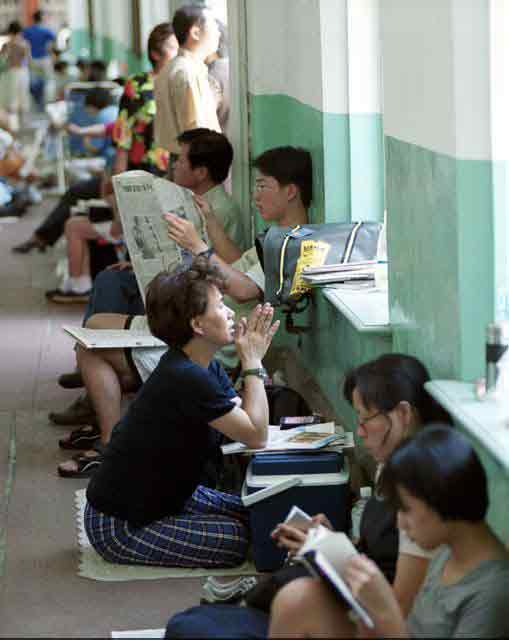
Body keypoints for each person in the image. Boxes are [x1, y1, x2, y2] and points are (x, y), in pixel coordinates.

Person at [164, 354, 451, 639]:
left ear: (403, 415)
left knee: (191, 630)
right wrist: (329, 541)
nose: (360, 432)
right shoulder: (390, 467)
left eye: (366, 420)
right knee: (189, 622)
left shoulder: (420, 497)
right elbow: (378, 555)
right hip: (343, 599)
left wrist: (332, 555)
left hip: (363, 619)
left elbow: (394, 611)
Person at [54, 146, 311, 435]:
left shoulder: (290, 246)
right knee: (95, 323)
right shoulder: (274, 236)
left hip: (209, 338)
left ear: (291, 191)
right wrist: (207, 222)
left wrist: (197, 246)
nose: (256, 196)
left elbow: (243, 289)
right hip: (195, 322)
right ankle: (118, 407)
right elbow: (235, 263)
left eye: (263, 186)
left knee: (89, 349)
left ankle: (110, 438)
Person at [56, 128, 243, 470]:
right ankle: (103, 400)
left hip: (192, 318)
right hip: (182, 301)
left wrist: (190, 249)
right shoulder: (198, 203)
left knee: (91, 346)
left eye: (180, 160)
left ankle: (110, 441)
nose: (173, 166)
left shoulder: (221, 213)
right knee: (103, 301)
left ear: (201, 171)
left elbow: (219, 278)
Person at [84, 258, 280, 567]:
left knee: (257, 513)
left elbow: (245, 420)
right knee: (236, 540)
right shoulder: (186, 376)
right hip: (119, 524)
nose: (230, 313)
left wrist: (252, 363)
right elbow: (256, 435)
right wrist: (252, 361)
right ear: (197, 325)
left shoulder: (203, 366)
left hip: (168, 498)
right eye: (220, 306)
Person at [269, 424, 509, 638]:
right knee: (297, 598)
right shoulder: (448, 549)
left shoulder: (492, 593)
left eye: (406, 509)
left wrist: (386, 612)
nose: (400, 524)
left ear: (441, 501)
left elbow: (397, 622)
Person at [13, 22, 178, 258]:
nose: (178, 53)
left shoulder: (182, 83)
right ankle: (45, 239)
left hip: (172, 169)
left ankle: (44, 238)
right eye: (173, 47)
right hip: (140, 167)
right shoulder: (139, 85)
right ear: (155, 53)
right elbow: (123, 130)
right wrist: (117, 175)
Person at [154, 2, 221, 174]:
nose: (218, 32)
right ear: (195, 33)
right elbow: (195, 132)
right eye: (214, 25)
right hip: (194, 166)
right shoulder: (188, 73)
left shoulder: (171, 68)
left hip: (181, 162)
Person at [23, 10, 56, 111]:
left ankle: (37, 102)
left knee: (33, 82)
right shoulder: (46, 30)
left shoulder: (27, 31)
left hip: (32, 59)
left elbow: (25, 45)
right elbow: (52, 42)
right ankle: (47, 102)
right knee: (48, 80)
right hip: (45, 58)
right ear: (42, 18)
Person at [0, 21, 31, 123]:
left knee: (12, 97)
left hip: (12, 72)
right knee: (21, 95)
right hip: (20, 71)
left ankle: (14, 121)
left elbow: (2, 59)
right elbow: (28, 59)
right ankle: (21, 121)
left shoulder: (8, 44)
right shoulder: (23, 43)